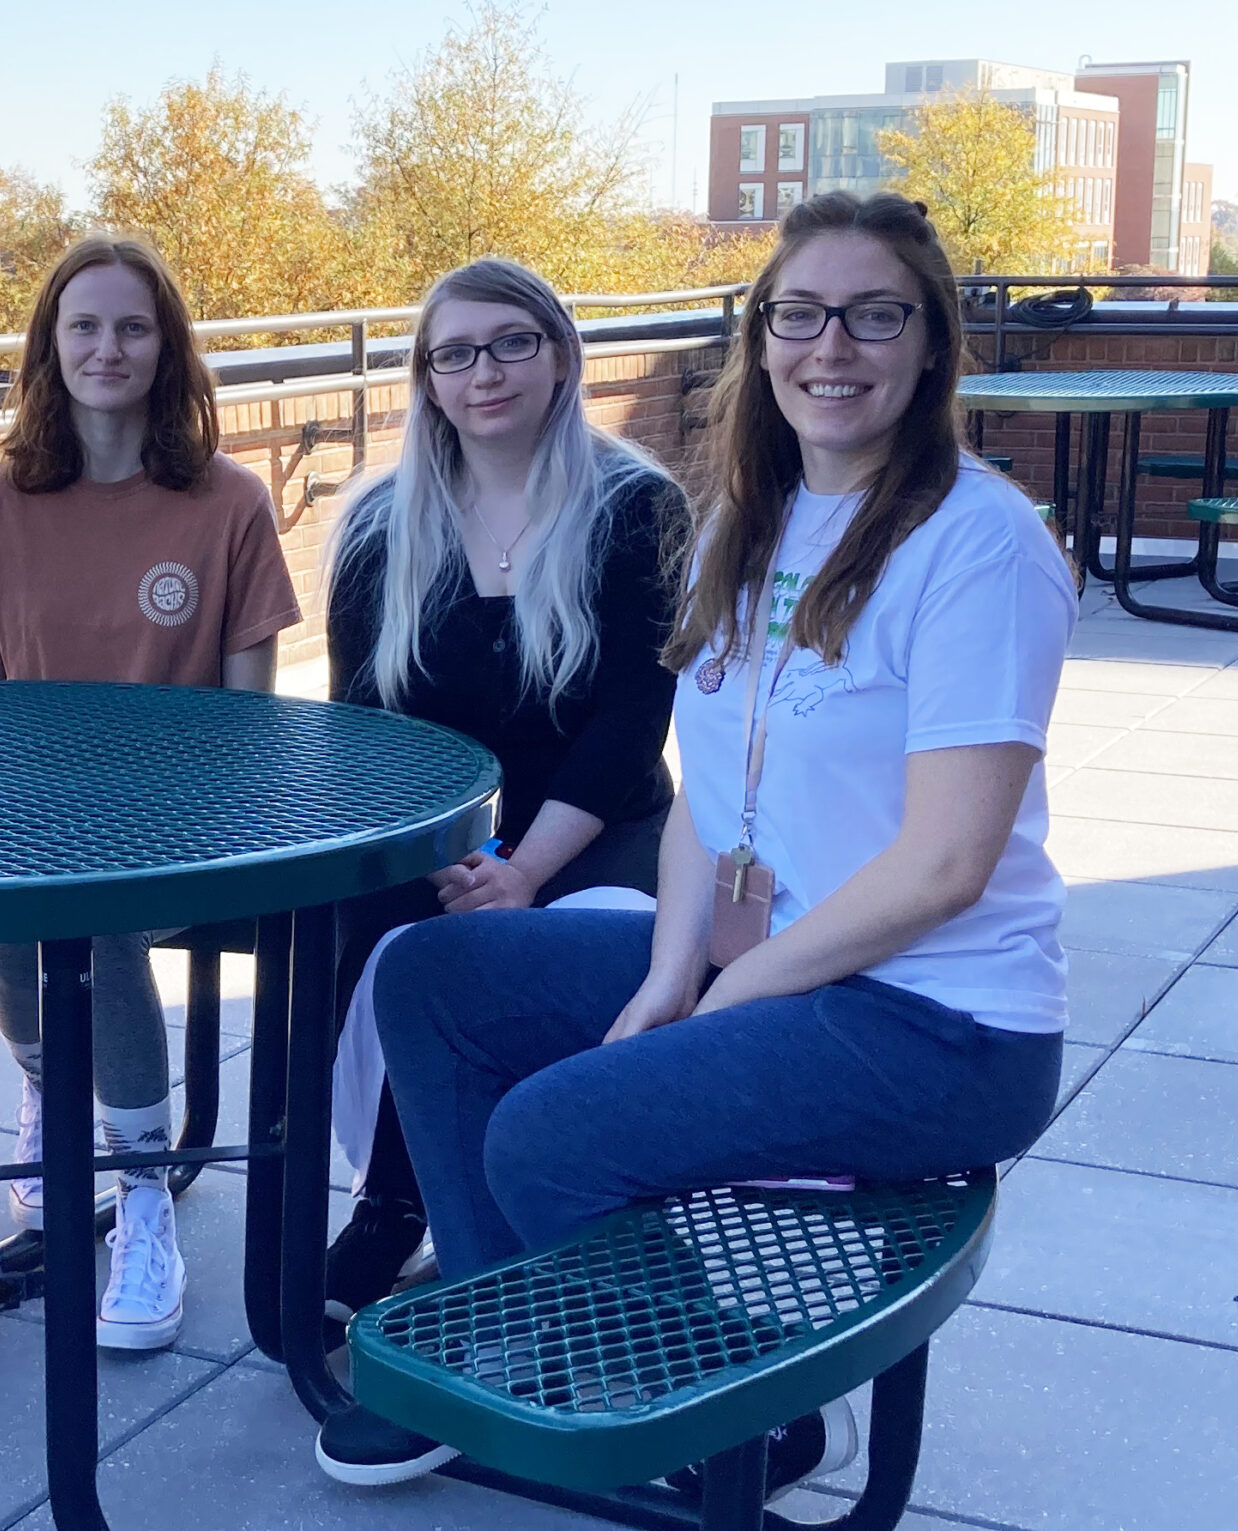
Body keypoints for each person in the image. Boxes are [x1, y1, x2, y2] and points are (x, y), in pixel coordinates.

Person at [328, 191, 1074, 1499]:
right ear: (761, 336)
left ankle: (748, 1402)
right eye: (800, 313)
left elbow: (946, 866)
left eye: (874, 315)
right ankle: (530, 1340)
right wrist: (672, 971)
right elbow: (704, 800)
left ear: (930, 343)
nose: (830, 346)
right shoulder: (747, 520)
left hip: (937, 1022)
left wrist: (727, 997)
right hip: (765, 963)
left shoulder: (979, 543)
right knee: (431, 977)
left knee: (548, 1134)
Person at [0, 236, 302, 1351]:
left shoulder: (230, 503)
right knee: (11, 895)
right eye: (82, 326)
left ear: (167, 348)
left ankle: (141, 1193)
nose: (106, 348)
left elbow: (251, 723)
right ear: (48, 346)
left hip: (184, 826)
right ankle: (53, 1085)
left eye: (132, 327)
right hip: (33, 818)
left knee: (93, 910)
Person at [316, 258, 683, 1335]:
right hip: (431, 835)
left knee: (569, 953)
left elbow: (629, 729)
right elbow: (361, 724)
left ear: (561, 355)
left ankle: (565, 1215)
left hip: (595, 828)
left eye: (512, 343)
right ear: (427, 379)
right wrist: (447, 856)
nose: (485, 372)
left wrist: (522, 870)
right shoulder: (380, 521)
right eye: (456, 353)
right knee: (375, 949)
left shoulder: (637, 508)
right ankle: (395, 1201)